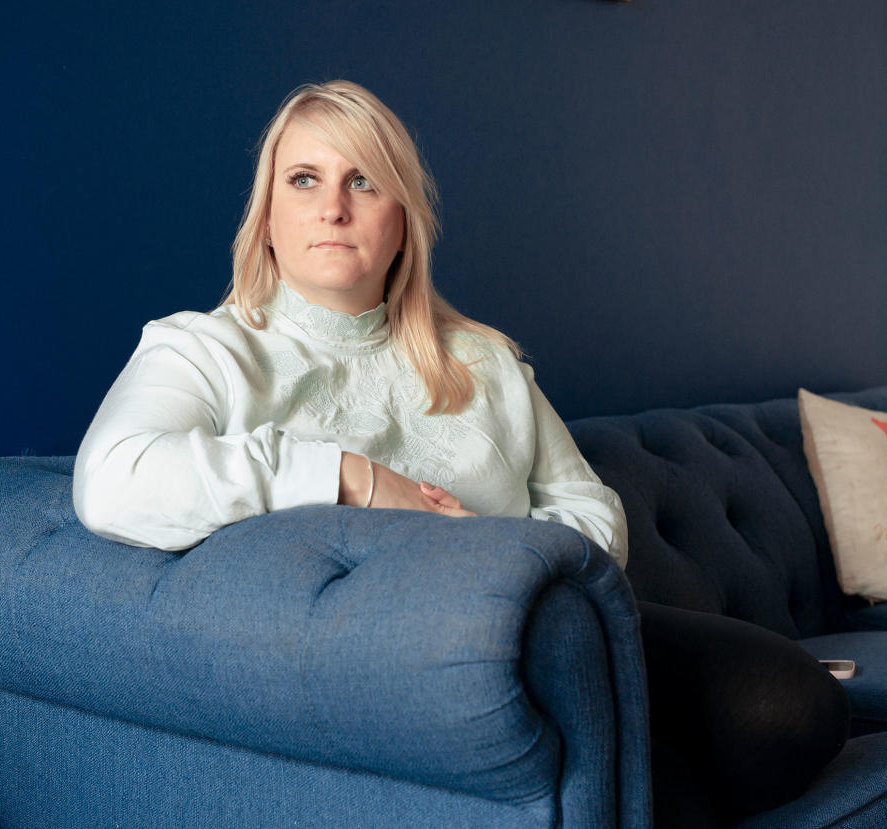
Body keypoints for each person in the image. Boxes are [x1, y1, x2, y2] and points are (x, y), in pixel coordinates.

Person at [73, 80, 847, 825]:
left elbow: (590, 508)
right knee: (655, 784)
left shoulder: (482, 361)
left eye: (365, 182)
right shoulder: (205, 350)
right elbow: (113, 480)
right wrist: (359, 478)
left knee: (792, 705)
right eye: (304, 179)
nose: (334, 207)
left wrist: (491, 549)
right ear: (267, 217)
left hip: (557, 634)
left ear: (402, 221)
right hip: (392, 676)